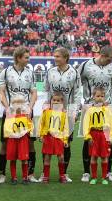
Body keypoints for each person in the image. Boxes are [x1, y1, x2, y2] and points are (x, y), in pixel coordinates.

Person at [0, 46, 38, 184]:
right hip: (10, 114)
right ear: (19, 57)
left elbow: (34, 92)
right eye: (26, 57)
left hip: (25, 114)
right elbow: (1, 91)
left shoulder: (30, 73)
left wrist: (30, 108)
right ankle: (2, 174)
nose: (29, 59)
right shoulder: (6, 72)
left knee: (30, 144)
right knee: (5, 143)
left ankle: (30, 174)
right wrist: (7, 108)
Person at [78, 45, 112, 183]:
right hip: (89, 106)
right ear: (101, 54)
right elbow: (77, 83)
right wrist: (81, 103)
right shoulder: (85, 65)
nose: (110, 61)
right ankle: (86, 172)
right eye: (109, 58)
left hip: (106, 108)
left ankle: (107, 172)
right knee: (87, 139)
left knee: (108, 139)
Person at [44, 47, 81, 182]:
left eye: (58, 56)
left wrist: (75, 111)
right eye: (54, 56)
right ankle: (45, 174)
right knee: (48, 140)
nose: (55, 59)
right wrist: (46, 107)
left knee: (66, 142)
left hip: (67, 113)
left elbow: (77, 93)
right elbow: (47, 91)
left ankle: (64, 173)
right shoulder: (50, 72)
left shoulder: (74, 73)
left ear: (65, 58)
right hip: (52, 113)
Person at [82, 87, 112, 185]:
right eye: (98, 96)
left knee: (104, 157)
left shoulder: (107, 110)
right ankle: (94, 177)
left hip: (104, 135)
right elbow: (86, 125)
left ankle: (104, 177)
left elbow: (111, 124)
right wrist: (88, 137)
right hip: (94, 135)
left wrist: (111, 137)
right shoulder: (90, 110)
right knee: (94, 156)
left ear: (105, 97)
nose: (100, 98)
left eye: (102, 96)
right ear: (93, 97)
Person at [38, 92, 69, 184]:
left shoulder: (63, 114)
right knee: (47, 158)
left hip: (59, 138)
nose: (55, 102)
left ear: (62, 102)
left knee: (61, 158)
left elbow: (65, 127)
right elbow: (41, 124)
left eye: (58, 101)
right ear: (50, 101)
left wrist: (65, 139)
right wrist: (41, 135)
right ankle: (46, 176)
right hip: (48, 137)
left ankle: (62, 176)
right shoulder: (46, 112)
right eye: (54, 100)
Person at [4, 96, 34, 185]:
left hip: (23, 139)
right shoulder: (9, 116)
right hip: (12, 139)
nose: (18, 105)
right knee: (12, 159)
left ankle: (25, 177)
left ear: (24, 104)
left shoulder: (26, 115)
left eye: (20, 103)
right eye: (16, 103)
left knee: (24, 158)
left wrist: (26, 132)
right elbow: (6, 128)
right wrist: (12, 134)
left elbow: (30, 126)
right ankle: (14, 177)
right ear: (12, 104)